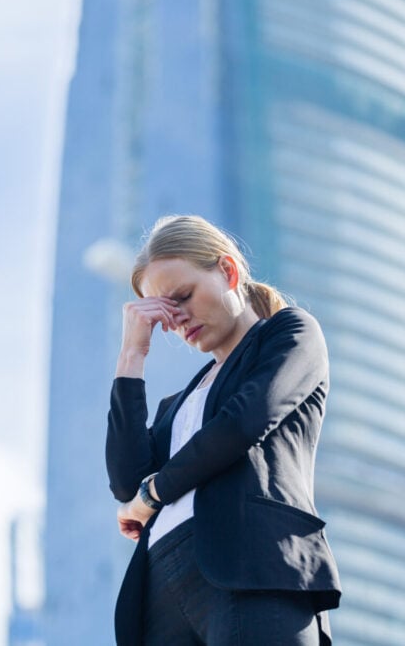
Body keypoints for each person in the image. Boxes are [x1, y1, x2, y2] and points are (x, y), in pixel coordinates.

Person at [106, 215, 341, 645]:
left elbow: (242, 424)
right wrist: (131, 356)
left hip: (250, 566)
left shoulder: (291, 334)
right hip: (160, 590)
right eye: (166, 313)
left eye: (184, 296)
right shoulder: (176, 406)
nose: (177, 321)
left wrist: (153, 494)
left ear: (228, 271)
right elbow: (125, 482)